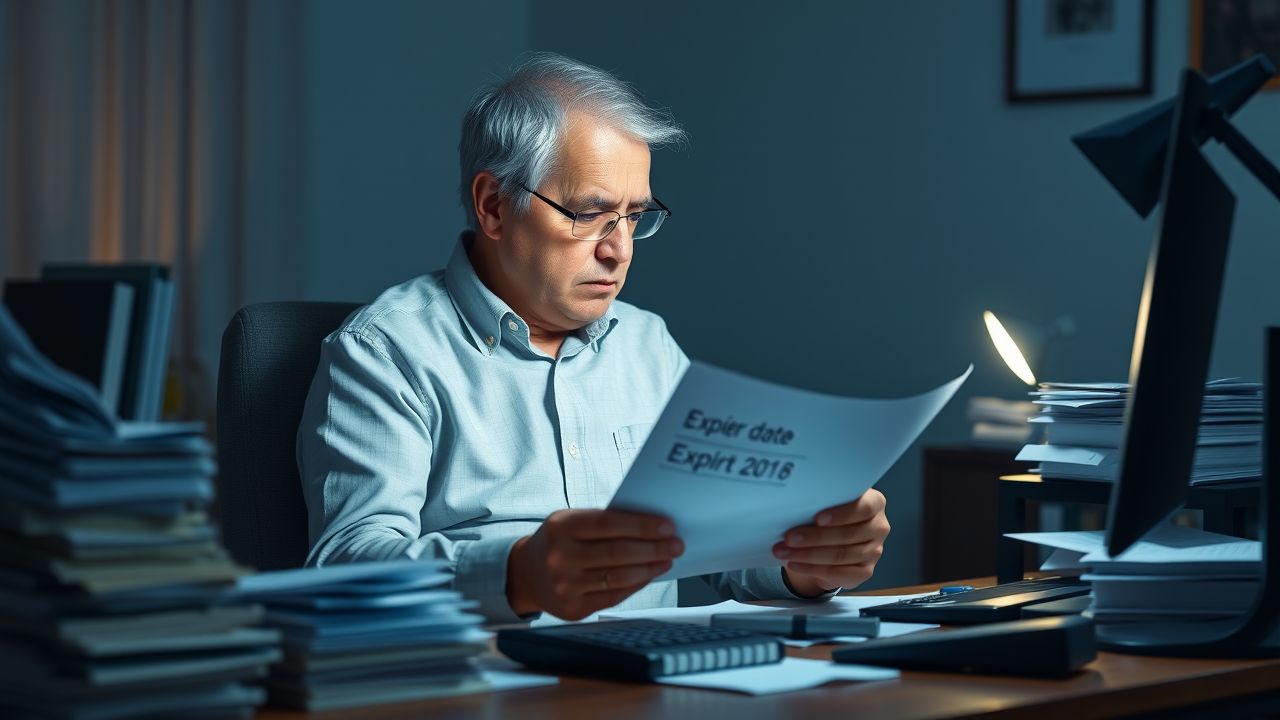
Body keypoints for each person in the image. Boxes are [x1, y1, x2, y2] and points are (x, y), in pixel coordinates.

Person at [297, 52, 890, 622]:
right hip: (492, 674)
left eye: (634, 216)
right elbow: (344, 572)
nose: (620, 250)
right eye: (588, 214)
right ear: (494, 206)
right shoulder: (387, 352)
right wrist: (518, 576)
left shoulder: (647, 345)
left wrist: (806, 563)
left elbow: (725, 552)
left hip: (653, 673)